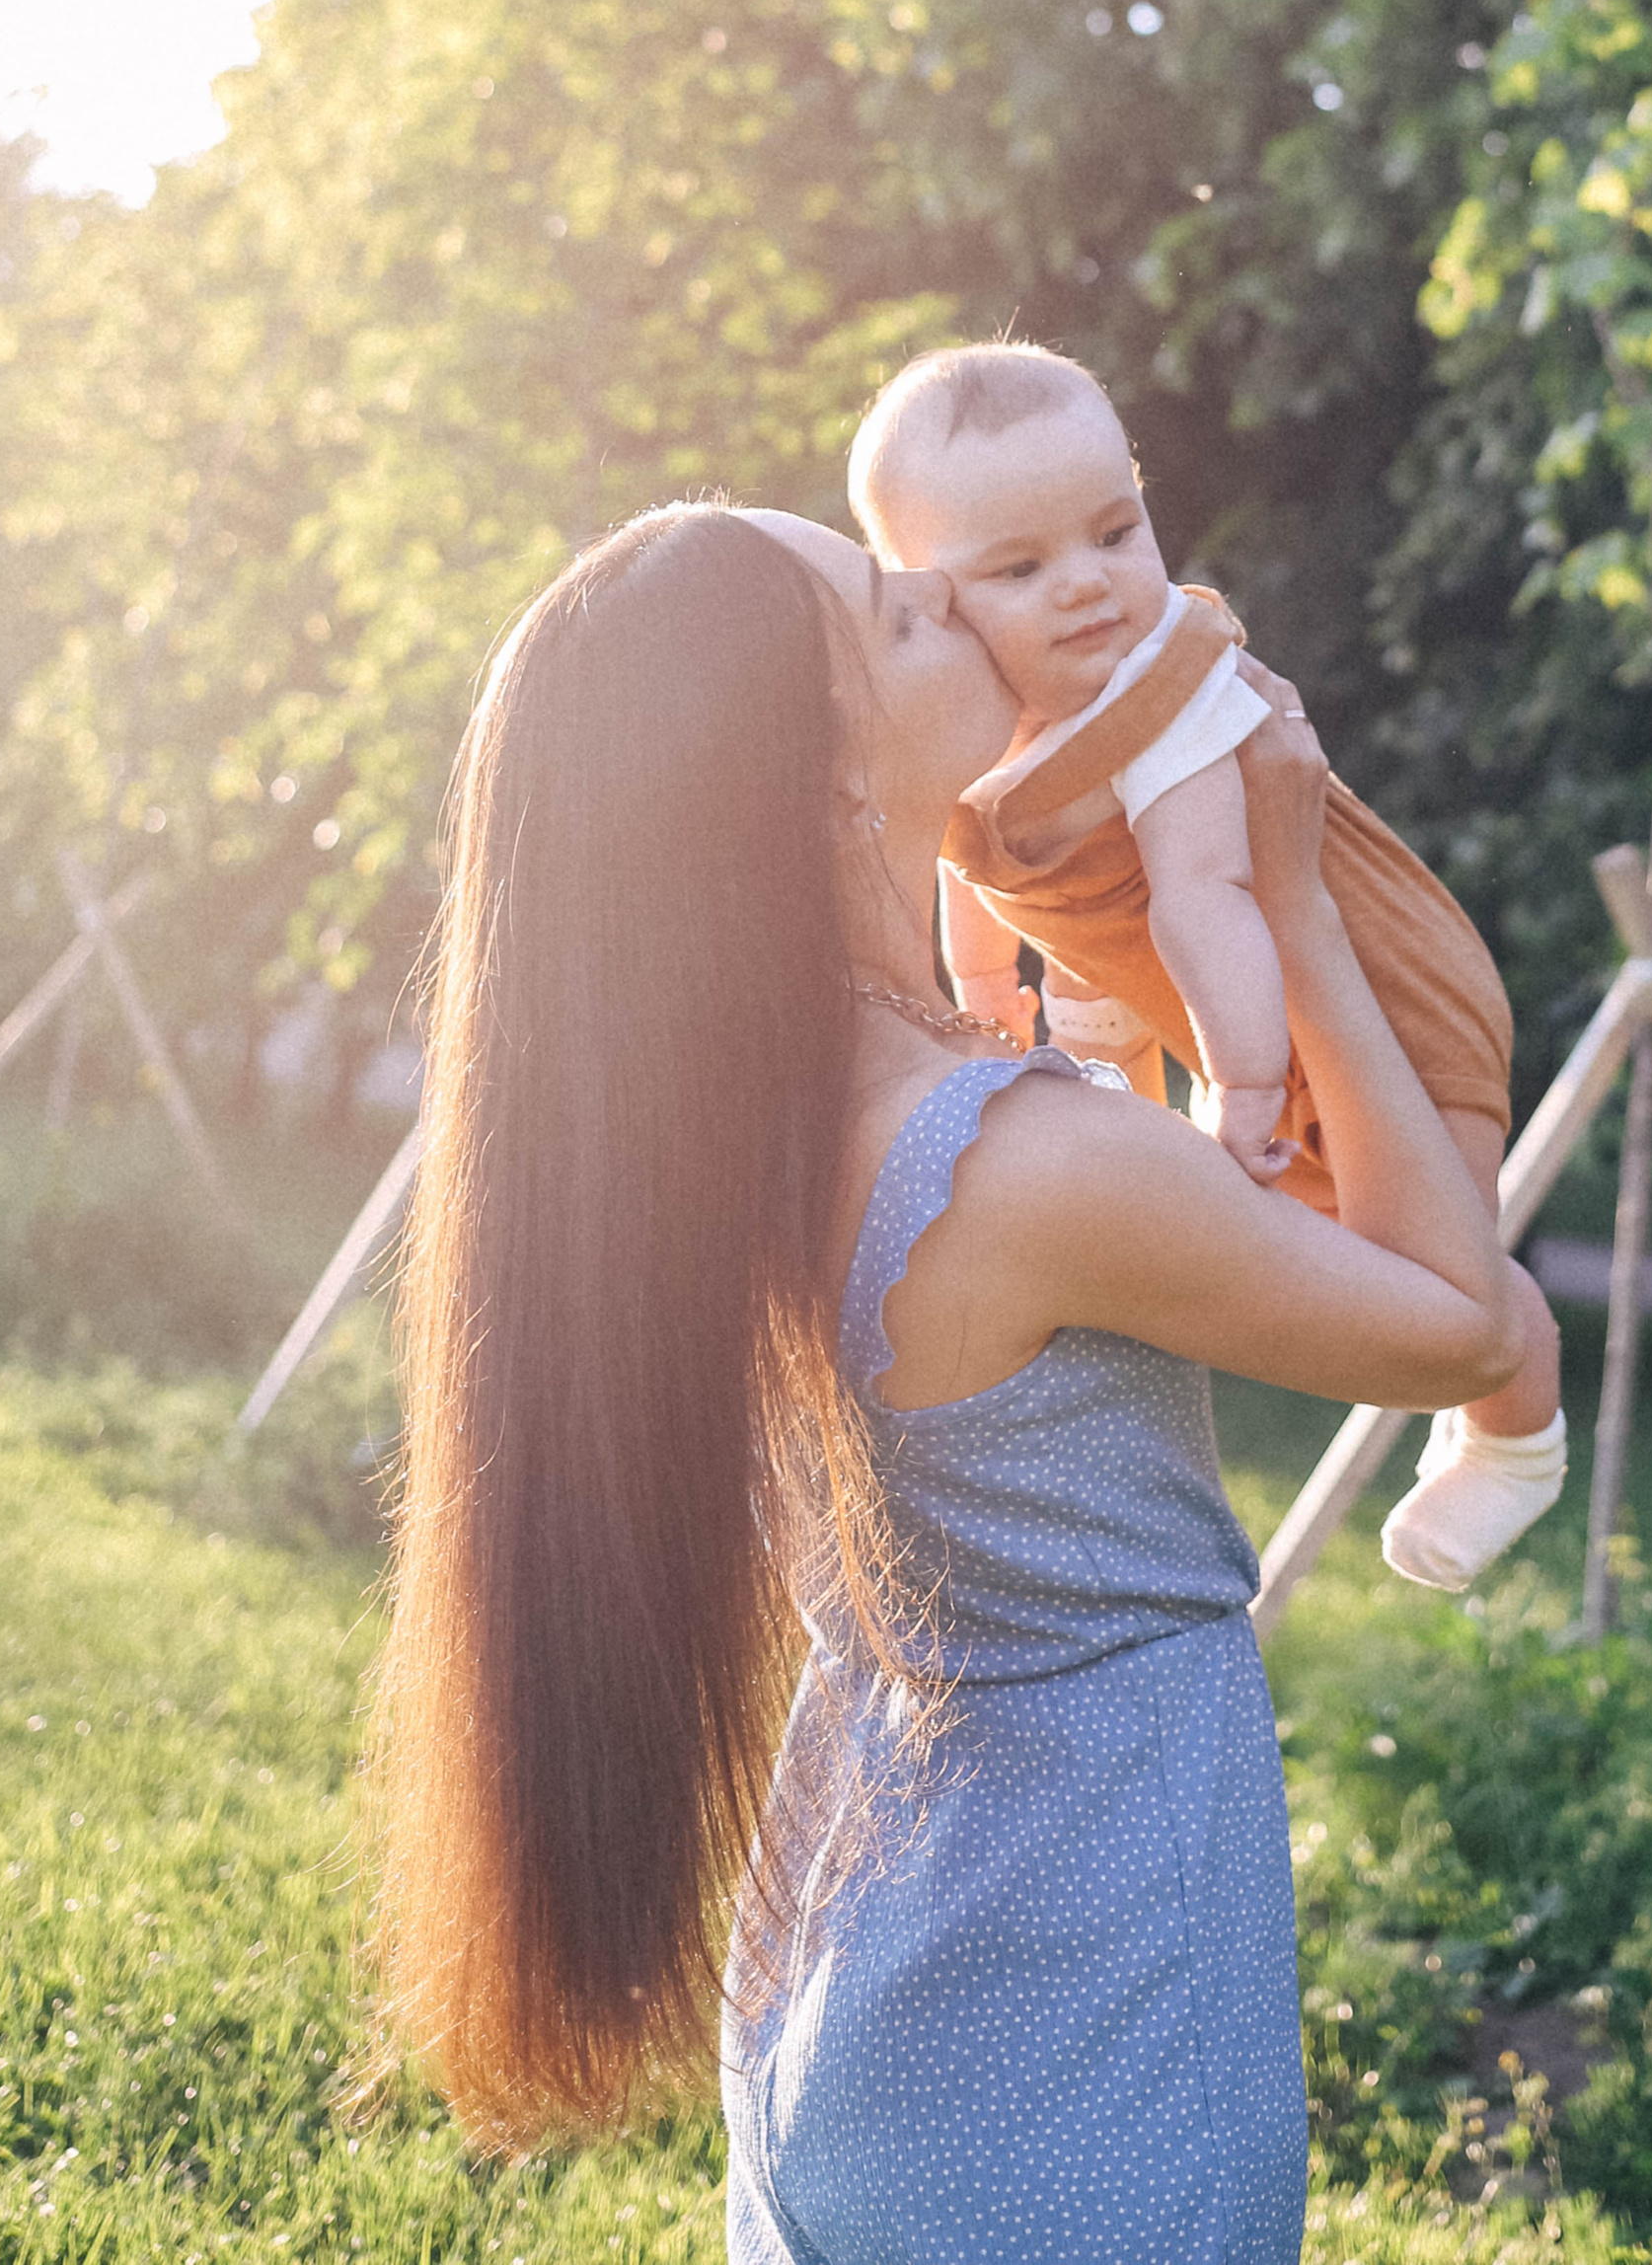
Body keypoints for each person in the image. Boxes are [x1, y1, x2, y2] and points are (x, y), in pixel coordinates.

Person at [374, 494, 1524, 2263]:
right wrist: (1280, 895)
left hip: (850, 1997)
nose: (968, 612)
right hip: (1077, 2043)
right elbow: (1460, 1320)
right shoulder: (1014, 1164)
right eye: (904, 615)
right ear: (827, 778)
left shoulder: (723, 1139)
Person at [848, 340, 1565, 1591]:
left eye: (1114, 533)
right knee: (1339, 1240)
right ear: (932, 596)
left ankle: (1516, 1442)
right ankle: (1490, 1410)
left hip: (1380, 987)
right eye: (1019, 567)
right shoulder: (978, 721)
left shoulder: (1159, 693)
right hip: (1231, 1010)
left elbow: (1206, 894)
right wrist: (984, 998)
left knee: (1449, 1256)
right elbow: (970, 867)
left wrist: (1235, 1093)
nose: (1087, 586)